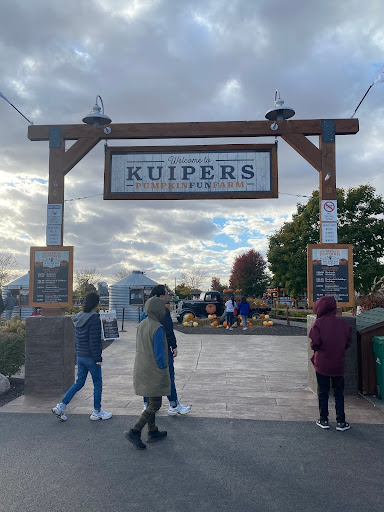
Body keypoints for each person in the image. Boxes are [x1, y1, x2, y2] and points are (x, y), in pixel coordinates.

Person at [52, 292, 112, 422]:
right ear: (97, 303)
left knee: (79, 382)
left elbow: (80, 339)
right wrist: (98, 359)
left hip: (81, 355)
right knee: (97, 383)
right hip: (91, 356)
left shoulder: (78, 317)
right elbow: (94, 341)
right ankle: (97, 411)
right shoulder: (94, 319)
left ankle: (61, 406)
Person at [125, 296, 171, 450]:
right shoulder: (157, 327)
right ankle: (135, 431)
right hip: (154, 370)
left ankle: (153, 431)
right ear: (158, 309)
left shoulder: (141, 324)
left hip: (142, 367)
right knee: (156, 404)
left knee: (151, 401)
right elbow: (159, 353)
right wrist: (163, 369)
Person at [141, 284, 191, 415]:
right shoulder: (164, 311)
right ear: (160, 296)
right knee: (168, 377)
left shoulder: (144, 312)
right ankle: (173, 404)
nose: (168, 295)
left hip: (146, 350)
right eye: (167, 293)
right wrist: (173, 346)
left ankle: (147, 404)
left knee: (149, 377)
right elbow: (169, 331)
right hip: (162, 349)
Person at [309, 295, 352, 431]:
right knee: (339, 392)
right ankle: (341, 421)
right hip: (338, 363)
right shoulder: (343, 324)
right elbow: (348, 342)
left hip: (322, 363)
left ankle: (324, 419)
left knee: (323, 391)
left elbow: (314, 343)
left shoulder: (318, 323)